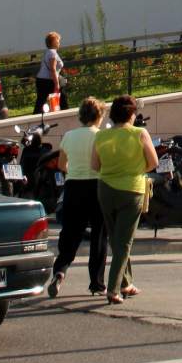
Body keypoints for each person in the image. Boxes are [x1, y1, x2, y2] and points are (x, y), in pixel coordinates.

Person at [90, 95, 158, 304]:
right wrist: (135, 169)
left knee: (115, 238)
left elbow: (95, 165)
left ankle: (126, 282)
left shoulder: (101, 136)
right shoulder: (140, 133)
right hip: (131, 189)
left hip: (105, 189)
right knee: (124, 242)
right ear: (131, 114)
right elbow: (153, 162)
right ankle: (113, 289)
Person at [47, 96, 107, 298]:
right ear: (99, 115)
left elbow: (61, 165)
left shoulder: (69, 136)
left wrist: (74, 170)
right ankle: (96, 283)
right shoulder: (101, 136)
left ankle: (60, 271)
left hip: (73, 186)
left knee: (70, 232)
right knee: (99, 234)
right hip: (96, 185)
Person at [34, 31, 65, 115]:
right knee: (62, 100)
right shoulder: (52, 53)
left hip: (42, 80)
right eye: (57, 40)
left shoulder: (48, 52)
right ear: (53, 42)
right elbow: (52, 69)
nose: (59, 42)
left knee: (40, 102)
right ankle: (65, 116)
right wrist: (56, 84)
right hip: (48, 81)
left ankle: (35, 118)